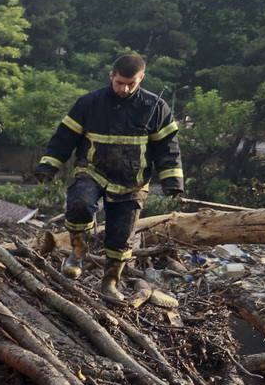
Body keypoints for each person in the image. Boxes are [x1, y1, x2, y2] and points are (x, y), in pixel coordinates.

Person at [35, 54, 183, 304]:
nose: (124, 89)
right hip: (92, 171)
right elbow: (64, 138)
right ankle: (78, 250)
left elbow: (168, 148)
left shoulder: (156, 108)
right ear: (111, 76)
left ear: (141, 78)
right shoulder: (89, 104)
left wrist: (172, 181)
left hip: (132, 181)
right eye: (120, 83)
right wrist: (48, 166)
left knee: (121, 235)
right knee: (79, 204)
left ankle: (110, 281)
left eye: (131, 84)